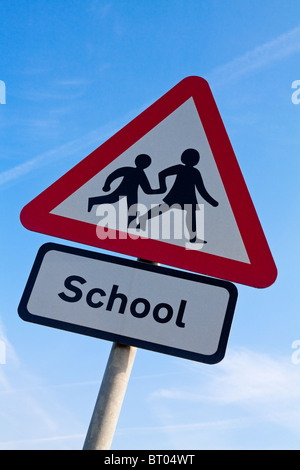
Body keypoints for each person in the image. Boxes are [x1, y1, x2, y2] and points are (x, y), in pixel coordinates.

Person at [137, 148, 218, 243]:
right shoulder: (181, 168)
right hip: (178, 194)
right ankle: (143, 219)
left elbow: (201, 189)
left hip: (188, 197)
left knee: (187, 214)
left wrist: (211, 201)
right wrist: (163, 187)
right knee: (165, 208)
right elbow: (162, 174)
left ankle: (193, 237)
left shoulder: (195, 172)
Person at [88, 154, 160, 227]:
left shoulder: (141, 174)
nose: (142, 164)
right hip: (123, 190)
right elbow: (114, 175)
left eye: (145, 162)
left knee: (132, 208)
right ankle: (92, 201)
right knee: (111, 199)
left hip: (132, 193)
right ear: (137, 161)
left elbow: (147, 190)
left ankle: (131, 225)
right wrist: (107, 185)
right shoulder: (129, 169)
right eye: (141, 161)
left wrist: (159, 191)